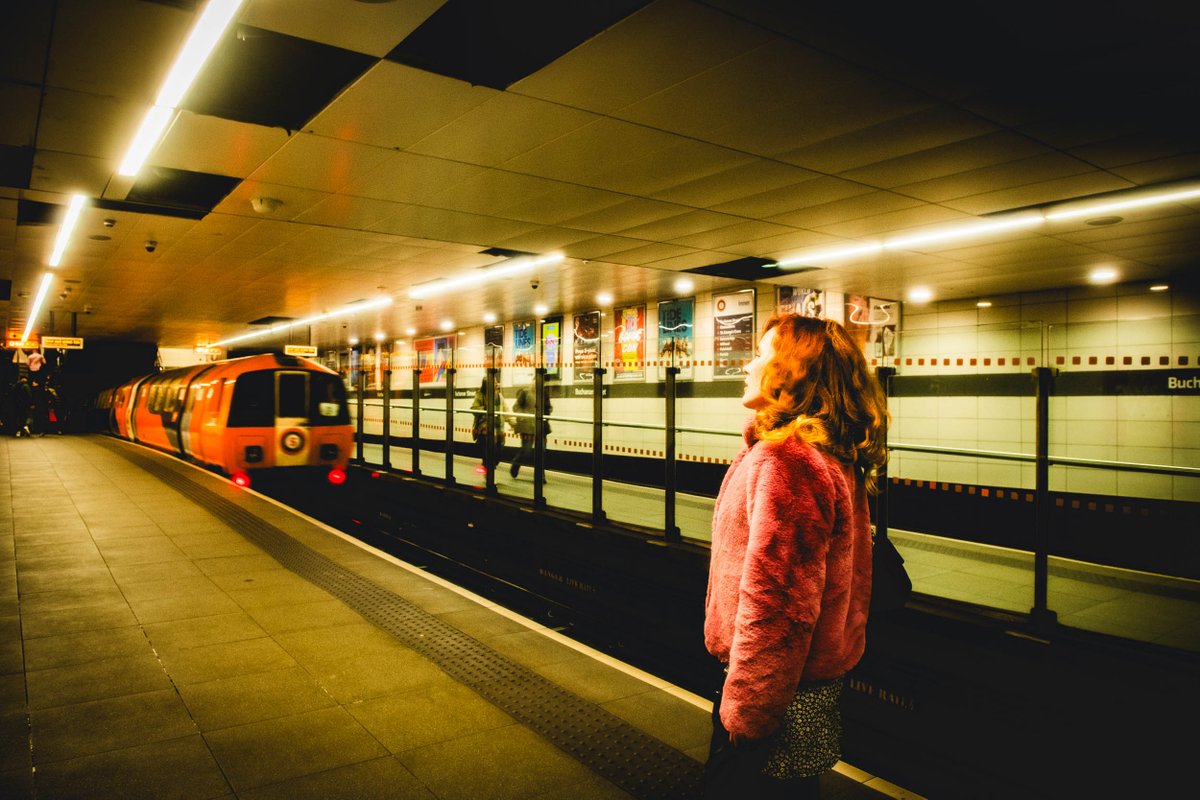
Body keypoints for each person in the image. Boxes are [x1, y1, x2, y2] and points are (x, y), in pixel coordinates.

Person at [703, 314, 889, 799]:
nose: (748, 365)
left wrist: (750, 707)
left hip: (776, 689)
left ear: (794, 374)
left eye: (762, 355)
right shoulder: (824, 456)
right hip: (799, 681)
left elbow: (779, 601)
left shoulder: (788, 462)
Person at [470, 377, 505, 469]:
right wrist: (485, 409)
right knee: (488, 452)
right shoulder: (480, 395)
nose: (497, 383)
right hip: (485, 428)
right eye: (495, 382)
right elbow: (474, 409)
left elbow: (505, 409)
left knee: (499, 452)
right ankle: (488, 472)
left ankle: (490, 466)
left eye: (496, 381)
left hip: (498, 428)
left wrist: (513, 422)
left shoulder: (499, 396)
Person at [507, 387, 536, 477]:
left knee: (536, 450)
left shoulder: (542, 393)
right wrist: (522, 416)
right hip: (526, 426)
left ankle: (540, 476)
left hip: (536, 426)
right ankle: (515, 465)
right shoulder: (526, 392)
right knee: (526, 449)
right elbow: (516, 406)